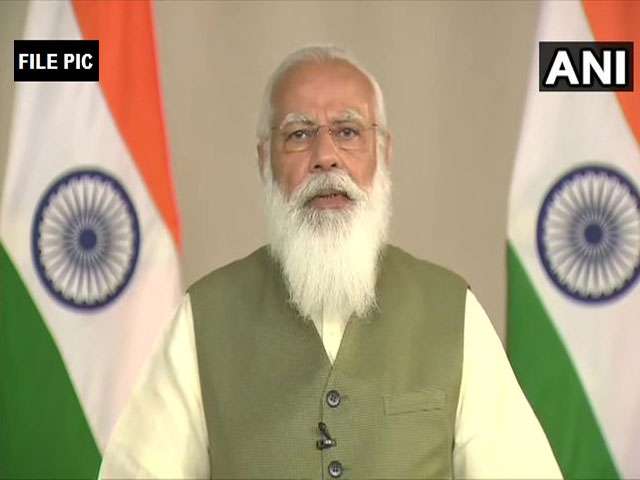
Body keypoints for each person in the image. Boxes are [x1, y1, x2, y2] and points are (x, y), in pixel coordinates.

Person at [99, 46, 562, 479]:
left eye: (348, 131)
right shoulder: (206, 316)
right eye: (299, 135)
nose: (325, 157)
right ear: (265, 159)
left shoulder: (450, 310)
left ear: (383, 153)